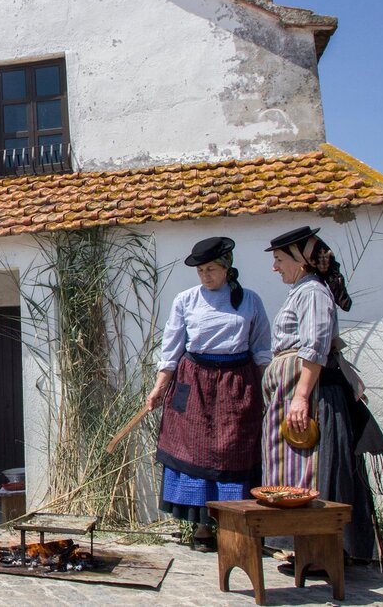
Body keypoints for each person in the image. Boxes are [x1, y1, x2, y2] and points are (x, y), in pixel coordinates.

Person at [264, 225, 383, 561]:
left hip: (313, 393)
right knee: (296, 465)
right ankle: (304, 546)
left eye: (279, 260)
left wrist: (301, 397)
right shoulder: (302, 291)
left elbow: (315, 346)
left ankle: (320, 550)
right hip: (296, 390)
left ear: (299, 261)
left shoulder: (313, 293)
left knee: (314, 466)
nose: (274, 267)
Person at [147, 236, 272, 551]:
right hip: (193, 384)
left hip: (236, 384)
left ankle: (235, 526)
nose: (206, 276)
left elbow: (261, 348)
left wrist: (268, 389)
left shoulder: (250, 301)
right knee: (194, 450)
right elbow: (172, 347)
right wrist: (160, 386)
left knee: (234, 449)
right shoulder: (186, 300)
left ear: (227, 268)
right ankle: (202, 526)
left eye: (211, 269)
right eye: (201, 270)